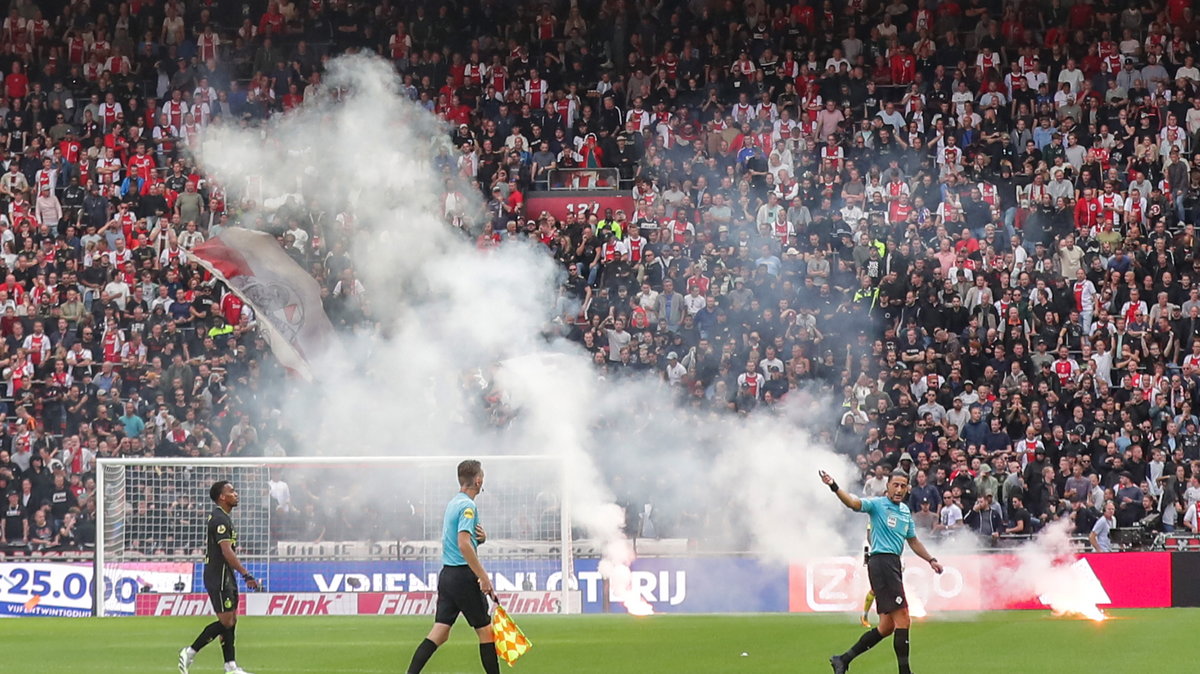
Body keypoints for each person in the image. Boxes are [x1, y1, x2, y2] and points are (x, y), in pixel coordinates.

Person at [821, 469, 943, 674]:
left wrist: (930, 559)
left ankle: (842, 659)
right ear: (887, 486)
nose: (899, 489)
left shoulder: (904, 511)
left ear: (907, 488)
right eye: (895, 484)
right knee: (904, 617)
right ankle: (905, 672)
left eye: (903, 486)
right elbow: (853, 503)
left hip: (893, 563)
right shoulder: (877, 505)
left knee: (887, 627)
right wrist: (833, 485)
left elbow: (913, 541)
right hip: (881, 562)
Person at [406, 460, 499, 674]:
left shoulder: (453, 502)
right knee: (486, 632)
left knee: (440, 632)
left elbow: (461, 539)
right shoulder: (468, 506)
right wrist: (483, 576)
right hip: (463, 576)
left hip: (447, 575)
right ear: (478, 480)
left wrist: (481, 540)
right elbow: (463, 543)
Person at [179, 481, 259, 674]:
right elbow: (227, 551)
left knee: (231, 619)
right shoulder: (220, 520)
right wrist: (246, 574)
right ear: (222, 497)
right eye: (231, 491)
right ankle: (189, 651)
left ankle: (230, 666)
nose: (236, 494)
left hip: (225, 575)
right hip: (219, 575)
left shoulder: (223, 517)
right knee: (226, 621)